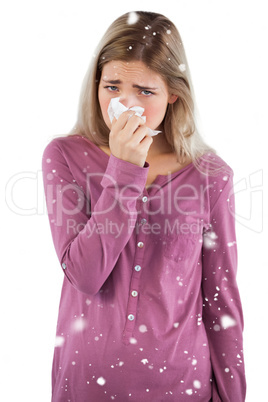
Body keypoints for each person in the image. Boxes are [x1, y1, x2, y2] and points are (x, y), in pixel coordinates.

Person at [42, 11, 246, 401]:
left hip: (181, 385)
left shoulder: (210, 176)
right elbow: (85, 275)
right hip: (87, 384)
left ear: (174, 93)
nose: (125, 105)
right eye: (112, 86)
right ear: (96, 85)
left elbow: (221, 301)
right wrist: (124, 169)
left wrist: (233, 395)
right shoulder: (65, 156)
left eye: (145, 92)